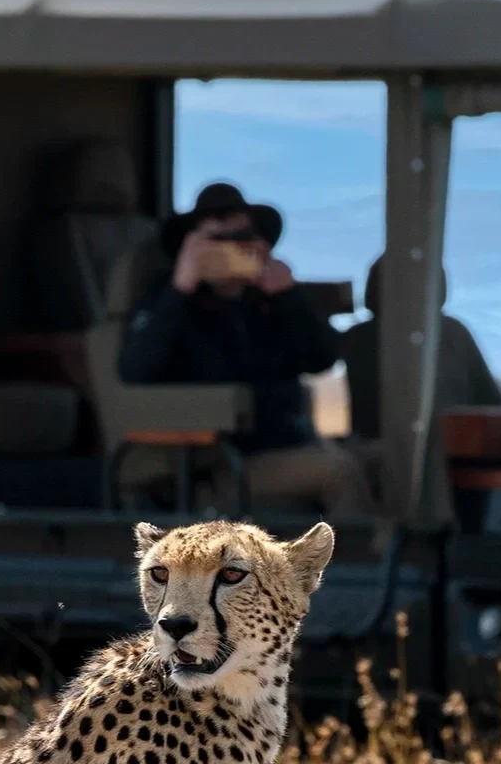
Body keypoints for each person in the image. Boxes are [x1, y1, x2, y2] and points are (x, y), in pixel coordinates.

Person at [118, 182, 373, 517]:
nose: (230, 250)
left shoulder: (268, 302)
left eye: (241, 237)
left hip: (288, 441)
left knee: (385, 457)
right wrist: (180, 286)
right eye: (216, 241)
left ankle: (426, 553)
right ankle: (365, 564)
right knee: (339, 471)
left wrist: (288, 295)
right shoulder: (168, 302)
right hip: (220, 461)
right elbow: (135, 369)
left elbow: (321, 359)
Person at [341, 256, 501, 444]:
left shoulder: (357, 337)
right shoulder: (451, 332)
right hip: (450, 451)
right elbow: (494, 403)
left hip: (383, 450)